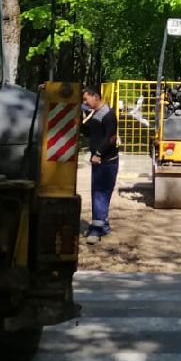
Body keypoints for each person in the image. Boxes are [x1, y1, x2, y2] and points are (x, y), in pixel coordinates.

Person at [82, 86, 120, 243]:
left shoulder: (108, 114)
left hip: (107, 161)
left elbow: (110, 138)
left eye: (86, 99)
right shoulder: (95, 114)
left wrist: (98, 154)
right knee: (99, 193)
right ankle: (103, 225)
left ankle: (97, 230)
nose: (85, 102)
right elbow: (90, 132)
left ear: (96, 97)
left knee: (100, 194)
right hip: (100, 161)